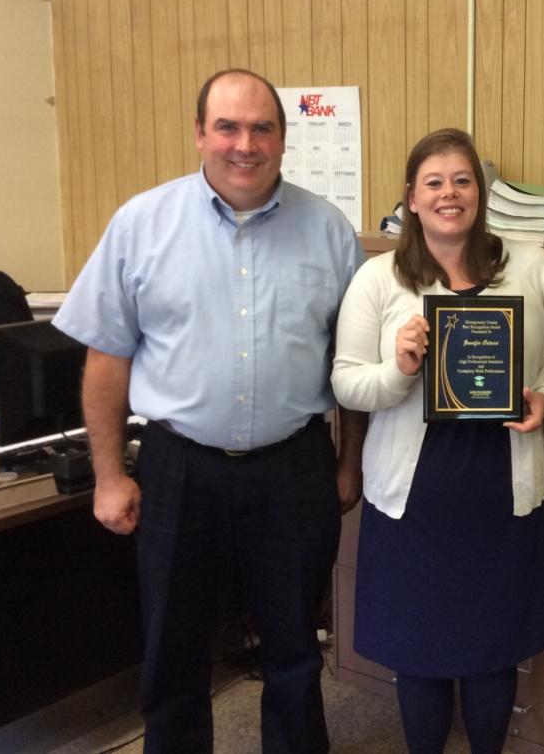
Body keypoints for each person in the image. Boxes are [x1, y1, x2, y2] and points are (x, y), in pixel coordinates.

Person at [52, 68, 367, 754]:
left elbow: (352, 364)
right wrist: (108, 476)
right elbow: (106, 359)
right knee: (173, 652)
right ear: (200, 134)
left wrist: (350, 462)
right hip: (179, 470)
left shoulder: (330, 232)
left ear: (284, 139)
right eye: (227, 126)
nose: (243, 144)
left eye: (261, 127)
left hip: (293, 470)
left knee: (293, 650)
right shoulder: (142, 224)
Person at [331, 128, 544, 754]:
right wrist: (399, 371)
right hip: (414, 502)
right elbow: (347, 383)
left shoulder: (532, 268)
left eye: (462, 180)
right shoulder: (378, 280)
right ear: (411, 197)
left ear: (481, 192)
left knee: (493, 653)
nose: (449, 193)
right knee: (420, 655)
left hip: (503, 490)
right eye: (433, 182)